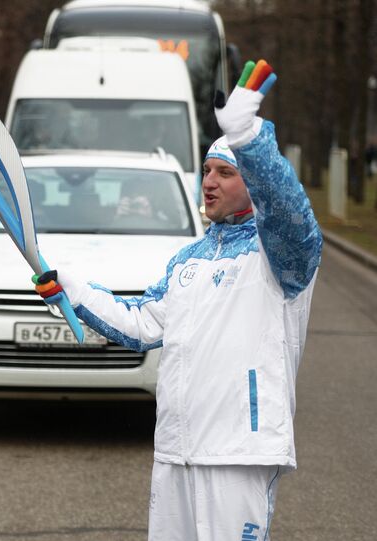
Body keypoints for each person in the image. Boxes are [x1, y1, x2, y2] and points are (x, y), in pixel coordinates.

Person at [34, 60, 322, 540]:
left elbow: (290, 212)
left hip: (239, 451)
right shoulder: (189, 259)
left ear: (252, 181)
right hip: (175, 450)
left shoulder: (280, 255)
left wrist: (250, 138)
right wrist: (72, 289)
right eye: (207, 170)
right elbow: (142, 323)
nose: (209, 182)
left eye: (226, 173)